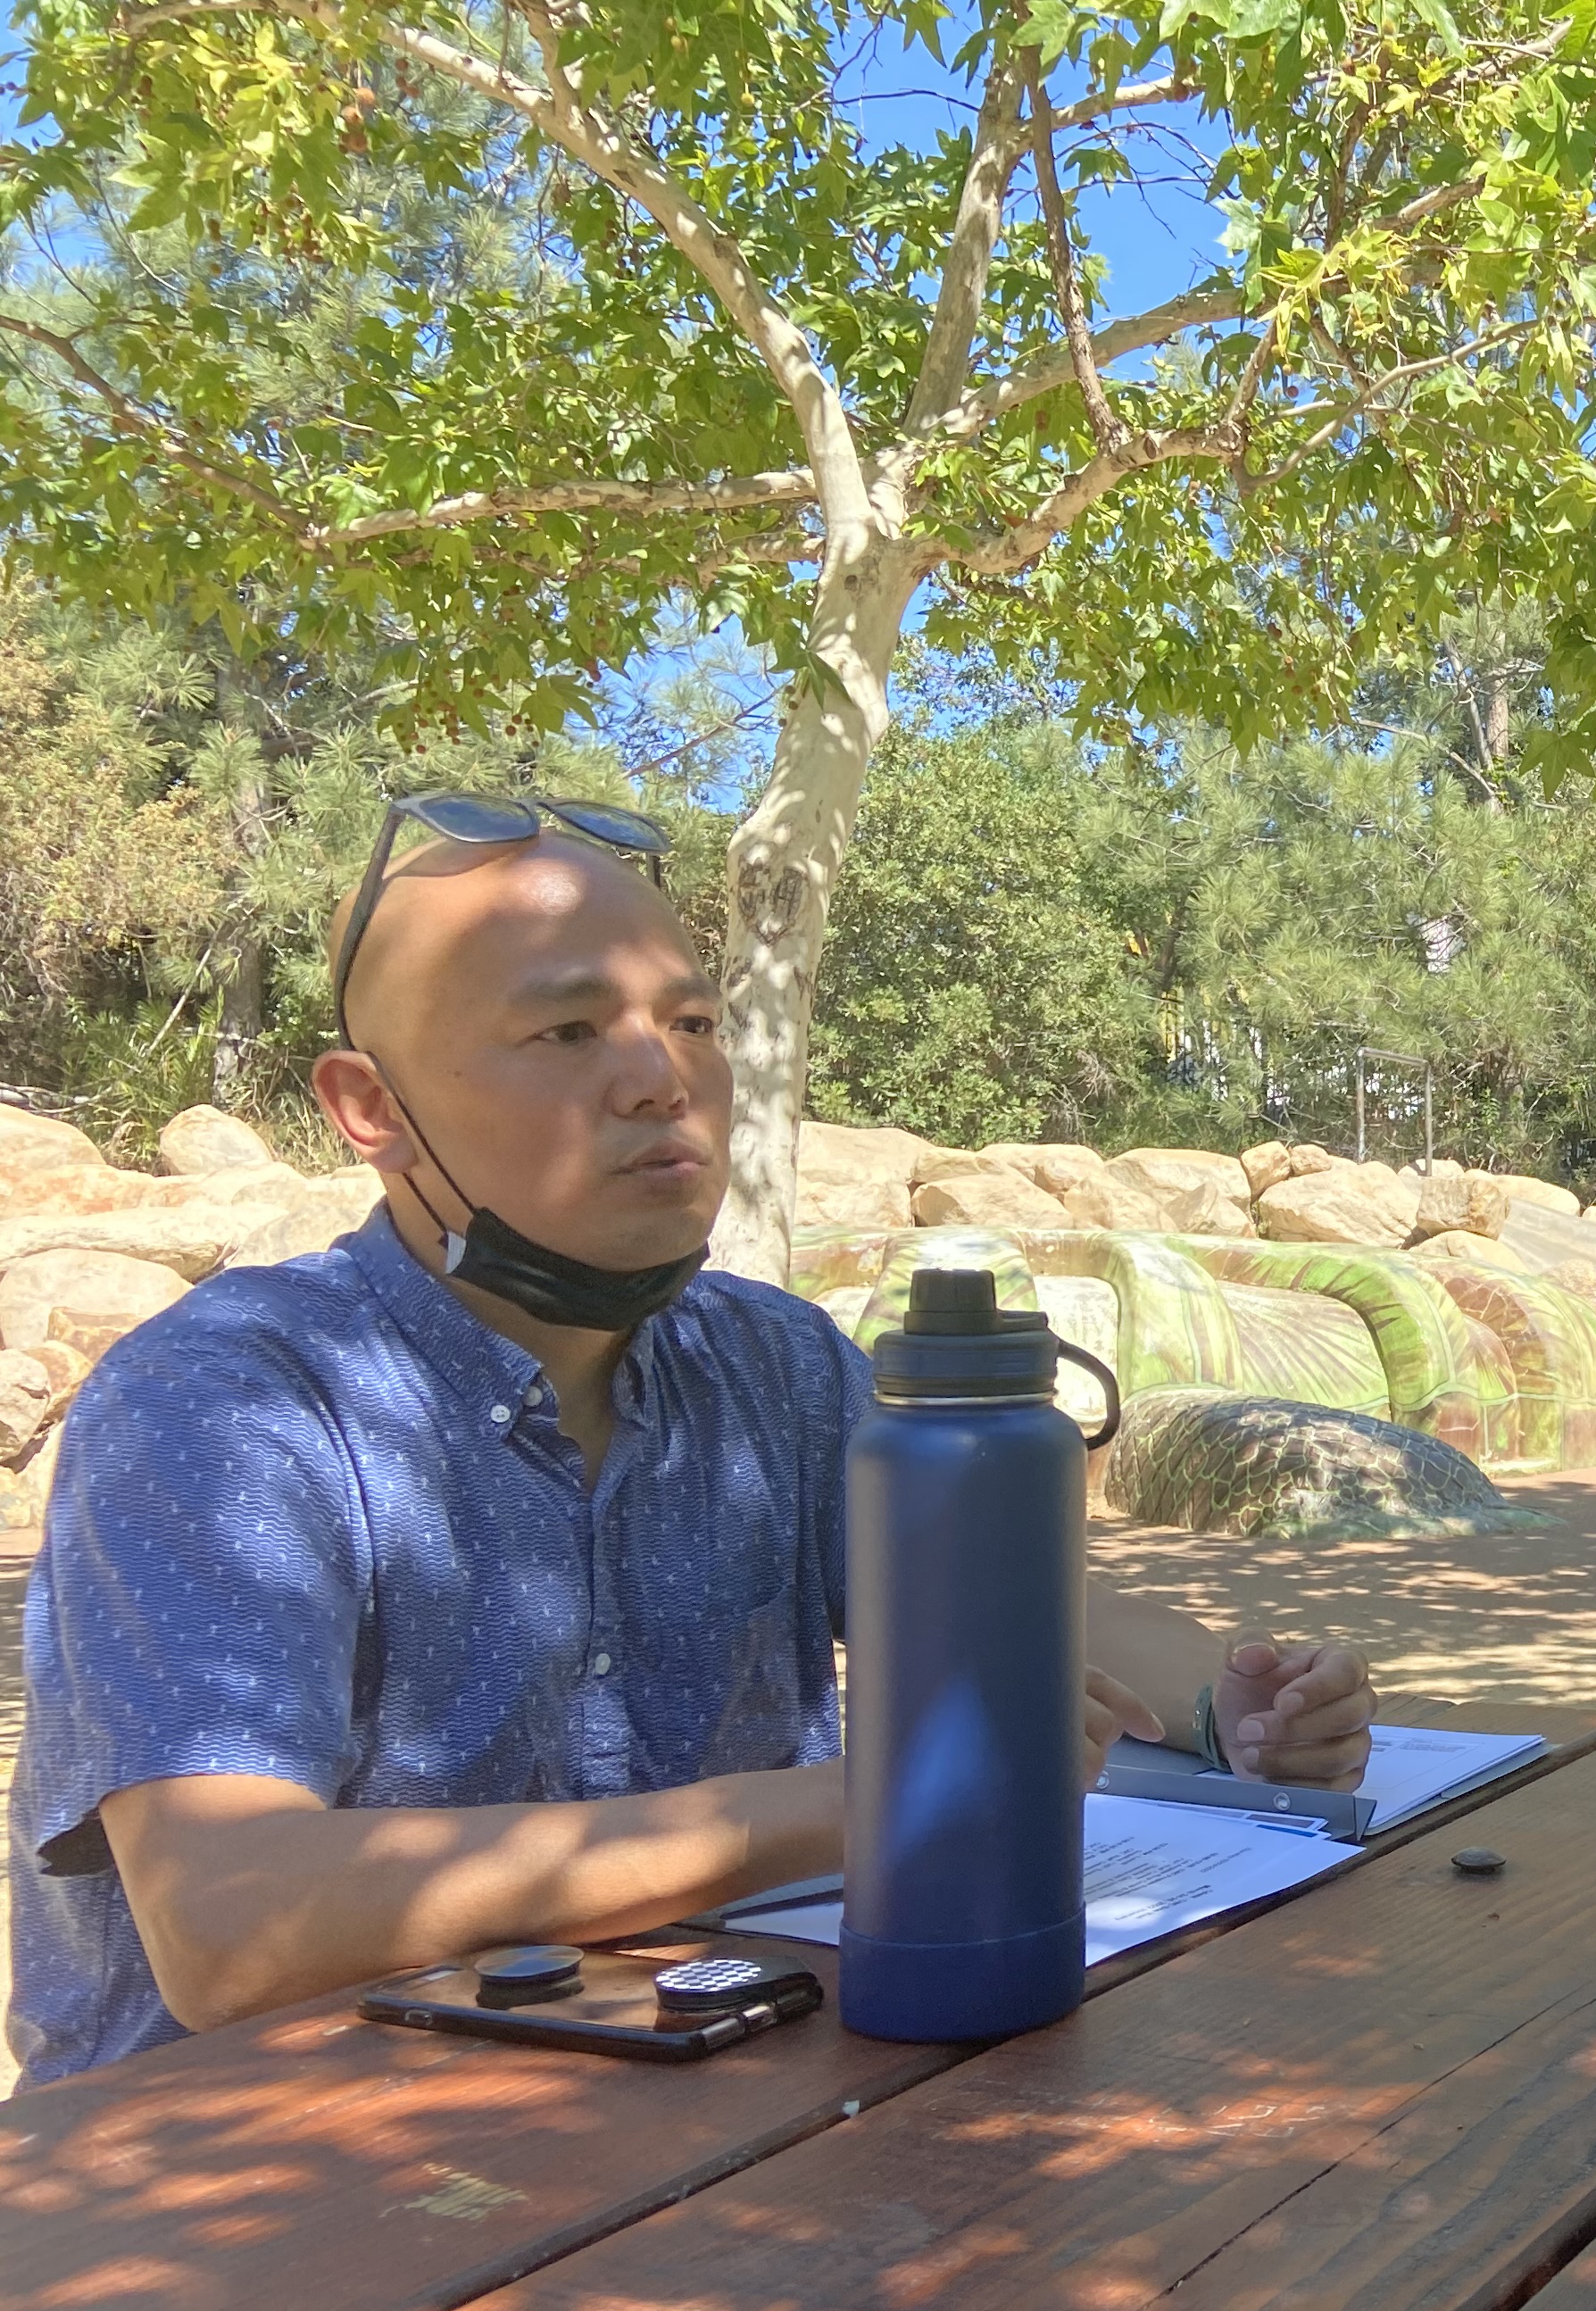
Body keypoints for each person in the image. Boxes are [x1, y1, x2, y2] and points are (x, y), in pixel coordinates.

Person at [6, 798, 1376, 2086]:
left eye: (696, 1021)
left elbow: (1020, 1618)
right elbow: (235, 1930)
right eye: (567, 1033)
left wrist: (1227, 1707)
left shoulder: (775, 1363)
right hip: (253, 2200)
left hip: (703, 2121)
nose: (662, 1078)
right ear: (371, 1109)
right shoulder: (227, 1404)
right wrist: (854, 1808)